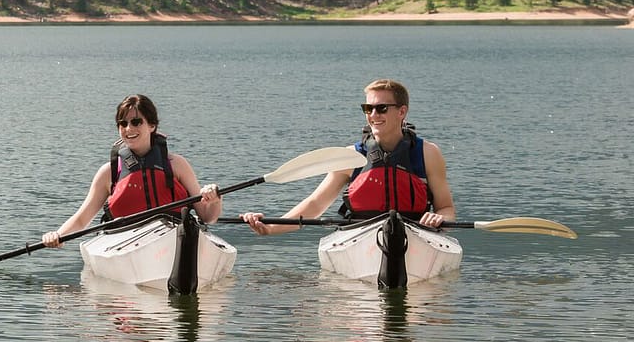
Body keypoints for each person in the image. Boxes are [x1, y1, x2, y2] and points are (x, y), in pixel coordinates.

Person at [242, 79, 455, 234]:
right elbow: (316, 204)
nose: (373, 115)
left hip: (416, 232)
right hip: (360, 233)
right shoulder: (350, 156)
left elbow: (446, 208)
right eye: (367, 108)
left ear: (402, 112)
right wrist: (270, 227)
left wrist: (440, 218)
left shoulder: (427, 152)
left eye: (381, 108)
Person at [42, 94, 222, 247]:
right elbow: (82, 219)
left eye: (136, 122)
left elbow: (207, 217)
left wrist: (214, 200)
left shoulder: (177, 164)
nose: (129, 129)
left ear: (152, 126)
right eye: (123, 123)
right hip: (126, 242)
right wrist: (58, 235)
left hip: (173, 237)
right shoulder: (109, 172)